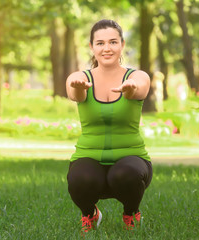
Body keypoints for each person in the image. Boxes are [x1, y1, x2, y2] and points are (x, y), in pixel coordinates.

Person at [66, 19, 153, 233]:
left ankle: (131, 213)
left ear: (122, 45)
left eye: (113, 42)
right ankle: (90, 214)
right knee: (79, 179)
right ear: (91, 47)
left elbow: (140, 88)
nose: (107, 48)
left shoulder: (136, 76)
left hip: (131, 160)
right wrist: (78, 88)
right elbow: (75, 92)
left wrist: (131, 89)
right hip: (90, 157)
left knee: (124, 174)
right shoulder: (80, 77)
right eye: (100, 43)